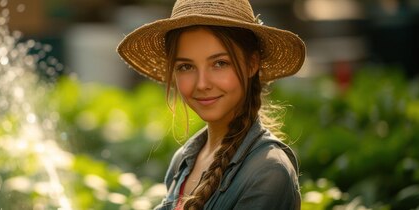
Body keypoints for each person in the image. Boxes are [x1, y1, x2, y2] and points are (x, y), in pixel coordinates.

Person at [117, 0, 306, 209]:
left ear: (252, 64)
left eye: (219, 63)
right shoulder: (184, 159)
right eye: (186, 66)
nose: (202, 84)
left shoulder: (269, 171)